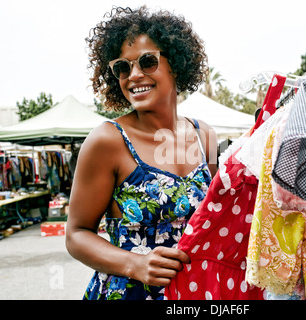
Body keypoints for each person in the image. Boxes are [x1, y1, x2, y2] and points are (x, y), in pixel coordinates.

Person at [65, 5, 217, 300]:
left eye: (147, 61)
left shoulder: (204, 135)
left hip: (194, 293)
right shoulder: (107, 141)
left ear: (176, 64)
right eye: (123, 67)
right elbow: (77, 234)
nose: (133, 75)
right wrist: (135, 263)